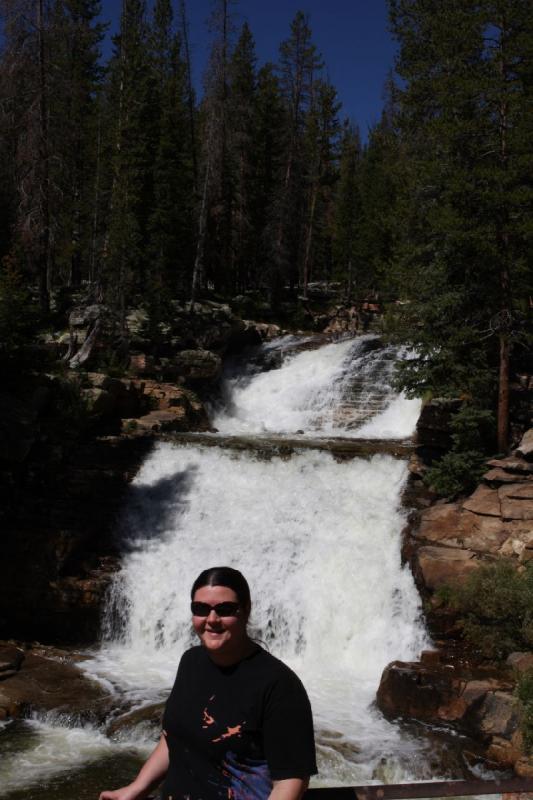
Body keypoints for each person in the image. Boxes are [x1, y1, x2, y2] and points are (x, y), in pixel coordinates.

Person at [99, 566, 317, 800]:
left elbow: (291, 782)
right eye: (201, 609)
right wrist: (136, 789)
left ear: (246, 610)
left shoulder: (279, 684)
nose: (212, 619)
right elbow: (174, 737)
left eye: (225, 609)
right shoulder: (191, 661)